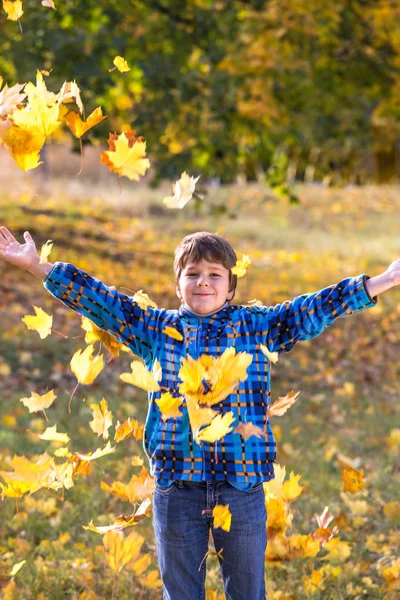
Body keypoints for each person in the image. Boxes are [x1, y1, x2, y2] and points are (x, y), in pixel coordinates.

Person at [0, 225, 398, 600]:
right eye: (192, 274)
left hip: (241, 485)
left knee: (246, 591)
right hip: (177, 486)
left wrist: (383, 280)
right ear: (177, 285)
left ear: (230, 288)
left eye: (214, 274)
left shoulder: (257, 327)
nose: (203, 282)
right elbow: (103, 303)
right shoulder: (157, 329)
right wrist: (37, 265)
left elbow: (314, 309)